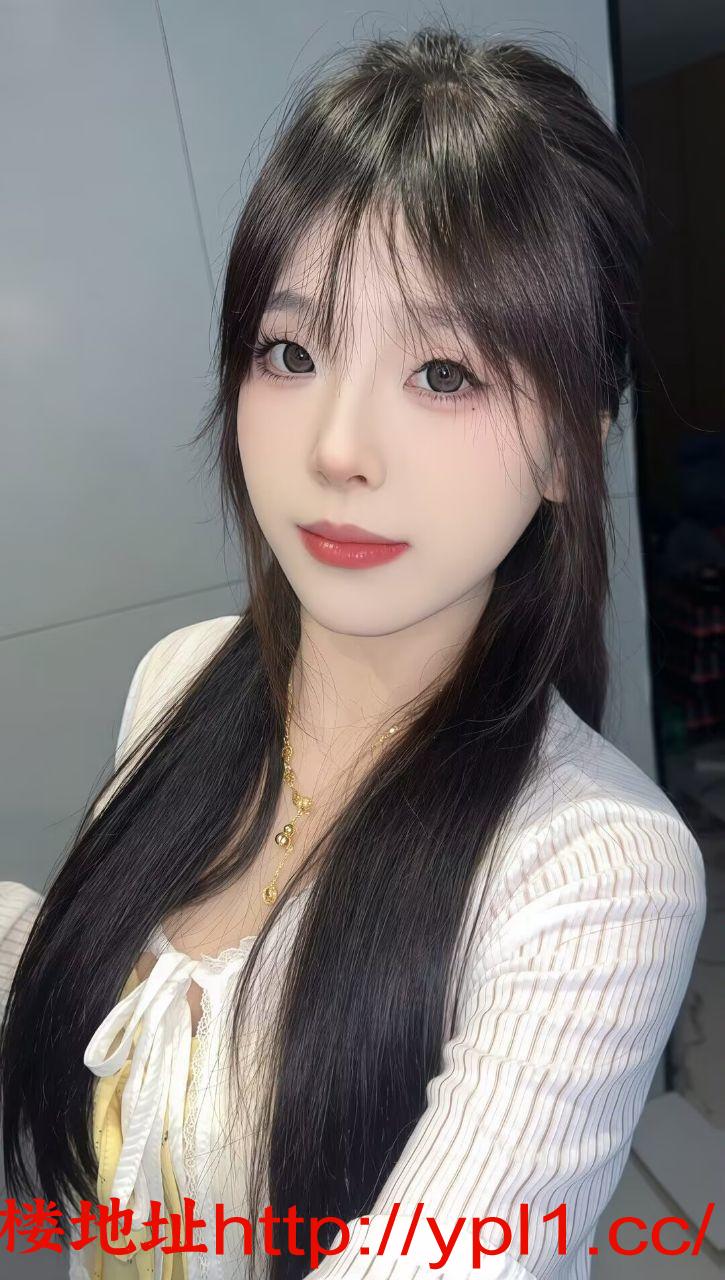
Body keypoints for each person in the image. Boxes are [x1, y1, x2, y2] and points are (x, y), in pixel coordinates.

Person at [0, 23, 706, 1280]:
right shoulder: (179, 676)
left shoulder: (593, 869)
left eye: (442, 372)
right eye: (291, 352)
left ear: (569, 442)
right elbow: (137, 1013)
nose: (335, 447)